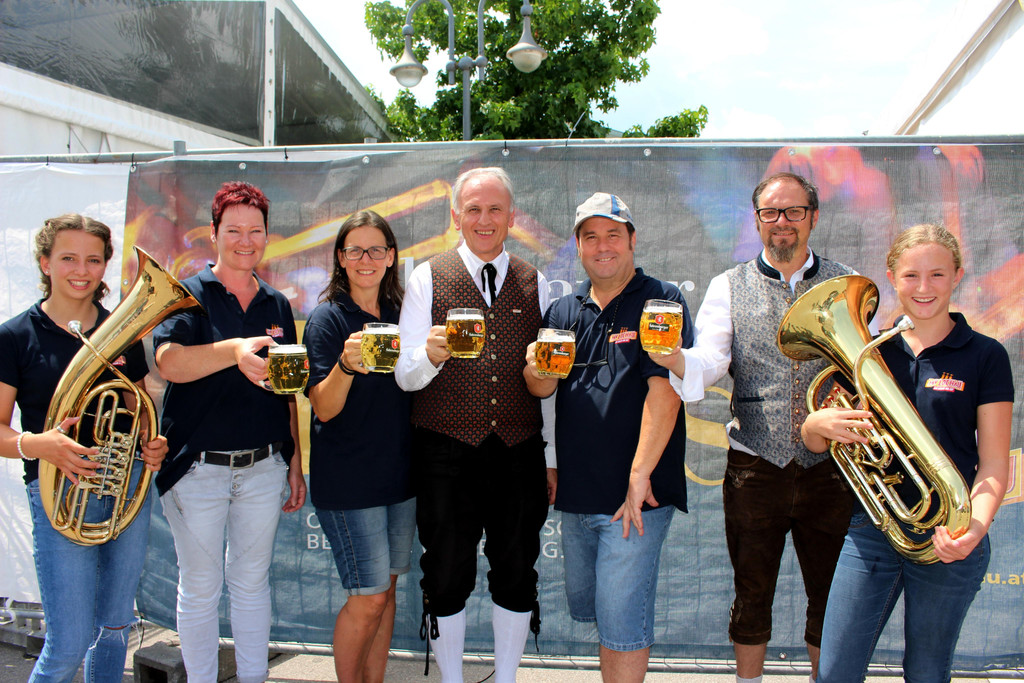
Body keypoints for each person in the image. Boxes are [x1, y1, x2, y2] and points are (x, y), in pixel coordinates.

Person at [653, 172, 856, 683]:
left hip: (832, 466)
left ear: (813, 216)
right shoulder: (728, 284)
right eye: (770, 213)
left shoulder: (845, 282)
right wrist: (675, 358)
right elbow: (711, 360)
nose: (781, 223)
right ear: (757, 219)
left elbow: (863, 369)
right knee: (751, 591)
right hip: (755, 466)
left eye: (792, 212)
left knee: (830, 593)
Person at [803, 224, 1013, 682]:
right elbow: (819, 442)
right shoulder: (867, 353)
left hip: (951, 533)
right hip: (873, 528)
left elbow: (996, 462)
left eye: (937, 275)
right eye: (911, 275)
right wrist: (815, 425)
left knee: (926, 671)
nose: (924, 288)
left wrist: (971, 530)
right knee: (834, 672)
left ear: (958, 275)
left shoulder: (985, 355)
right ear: (891, 276)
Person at [524, 192, 693, 682]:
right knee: (599, 611)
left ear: (632, 240)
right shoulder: (562, 310)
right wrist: (534, 369)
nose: (603, 246)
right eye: (590, 236)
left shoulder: (661, 301)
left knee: (621, 623)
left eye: (613, 234)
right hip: (578, 495)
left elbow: (666, 393)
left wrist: (639, 476)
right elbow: (543, 389)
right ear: (578, 246)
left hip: (636, 496)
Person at [395, 167, 549, 683]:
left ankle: (505, 678)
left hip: (519, 448)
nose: (485, 219)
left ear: (512, 217)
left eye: (495, 209)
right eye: (474, 209)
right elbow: (404, 375)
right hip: (445, 450)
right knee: (445, 572)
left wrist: (549, 459)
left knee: (516, 570)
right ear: (456, 216)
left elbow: (547, 378)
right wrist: (431, 355)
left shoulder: (535, 281)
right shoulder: (426, 276)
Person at [0, 213, 168, 682]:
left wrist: (152, 445)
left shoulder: (121, 331)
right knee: (68, 643)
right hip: (60, 493)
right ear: (45, 263)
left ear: (105, 267)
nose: (82, 269)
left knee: (113, 629)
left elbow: (136, 410)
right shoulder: (15, 336)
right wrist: (39, 444)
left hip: (125, 487)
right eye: (69, 257)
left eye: (94, 259)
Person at [152, 181, 306, 683]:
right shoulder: (186, 296)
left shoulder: (277, 303)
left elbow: (288, 390)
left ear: (267, 236)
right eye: (233, 230)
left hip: (264, 467)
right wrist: (234, 350)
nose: (245, 240)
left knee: (251, 584)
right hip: (197, 469)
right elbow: (169, 363)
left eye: (255, 230)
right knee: (199, 588)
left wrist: (295, 460)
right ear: (213, 234)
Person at [303, 210, 415, 683]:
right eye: (355, 250)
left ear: (391, 257)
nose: (366, 259)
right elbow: (323, 409)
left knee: (385, 593)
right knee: (367, 597)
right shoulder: (327, 320)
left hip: (401, 478)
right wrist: (346, 367)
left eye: (376, 249)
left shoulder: (404, 313)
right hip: (350, 483)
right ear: (341, 259)